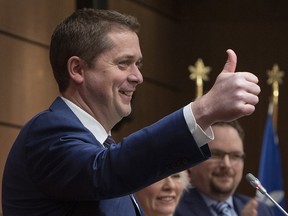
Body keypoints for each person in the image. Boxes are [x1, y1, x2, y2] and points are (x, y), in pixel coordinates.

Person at [2, 8, 260, 216]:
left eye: (138, 64)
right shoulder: (48, 132)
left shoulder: (98, 144)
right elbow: (106, 171)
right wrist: (203, 111)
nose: (138, 77)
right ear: (78, 70)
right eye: (124, 63)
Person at [174, 121, 274, 216]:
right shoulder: (173, 208)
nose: (227, 164)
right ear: (193, 161)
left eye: (235, 156)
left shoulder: (262, 210)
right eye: (216, 154)